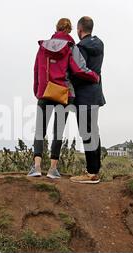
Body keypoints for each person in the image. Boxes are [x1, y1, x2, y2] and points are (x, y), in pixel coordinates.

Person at [28, 18, 100, 179]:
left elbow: (36, 71)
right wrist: (94, 76)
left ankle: (37, 167)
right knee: (58, 131)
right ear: (69, 30)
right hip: (64, 94)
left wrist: (38, 91)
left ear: (56, 28)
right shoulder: (71, 47)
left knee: (40, 129)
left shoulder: (43, 48)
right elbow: (79, 69)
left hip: (45, 92)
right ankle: (53, 169)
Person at [70, 16, 106, 184]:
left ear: (79, 29)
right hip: (96, 94)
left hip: (84, 95)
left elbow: (79, 71)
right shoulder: (100, 44)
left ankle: (91, 173)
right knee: (93, 131)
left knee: (86, 132)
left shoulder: (81, 47)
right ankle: (95, 170)